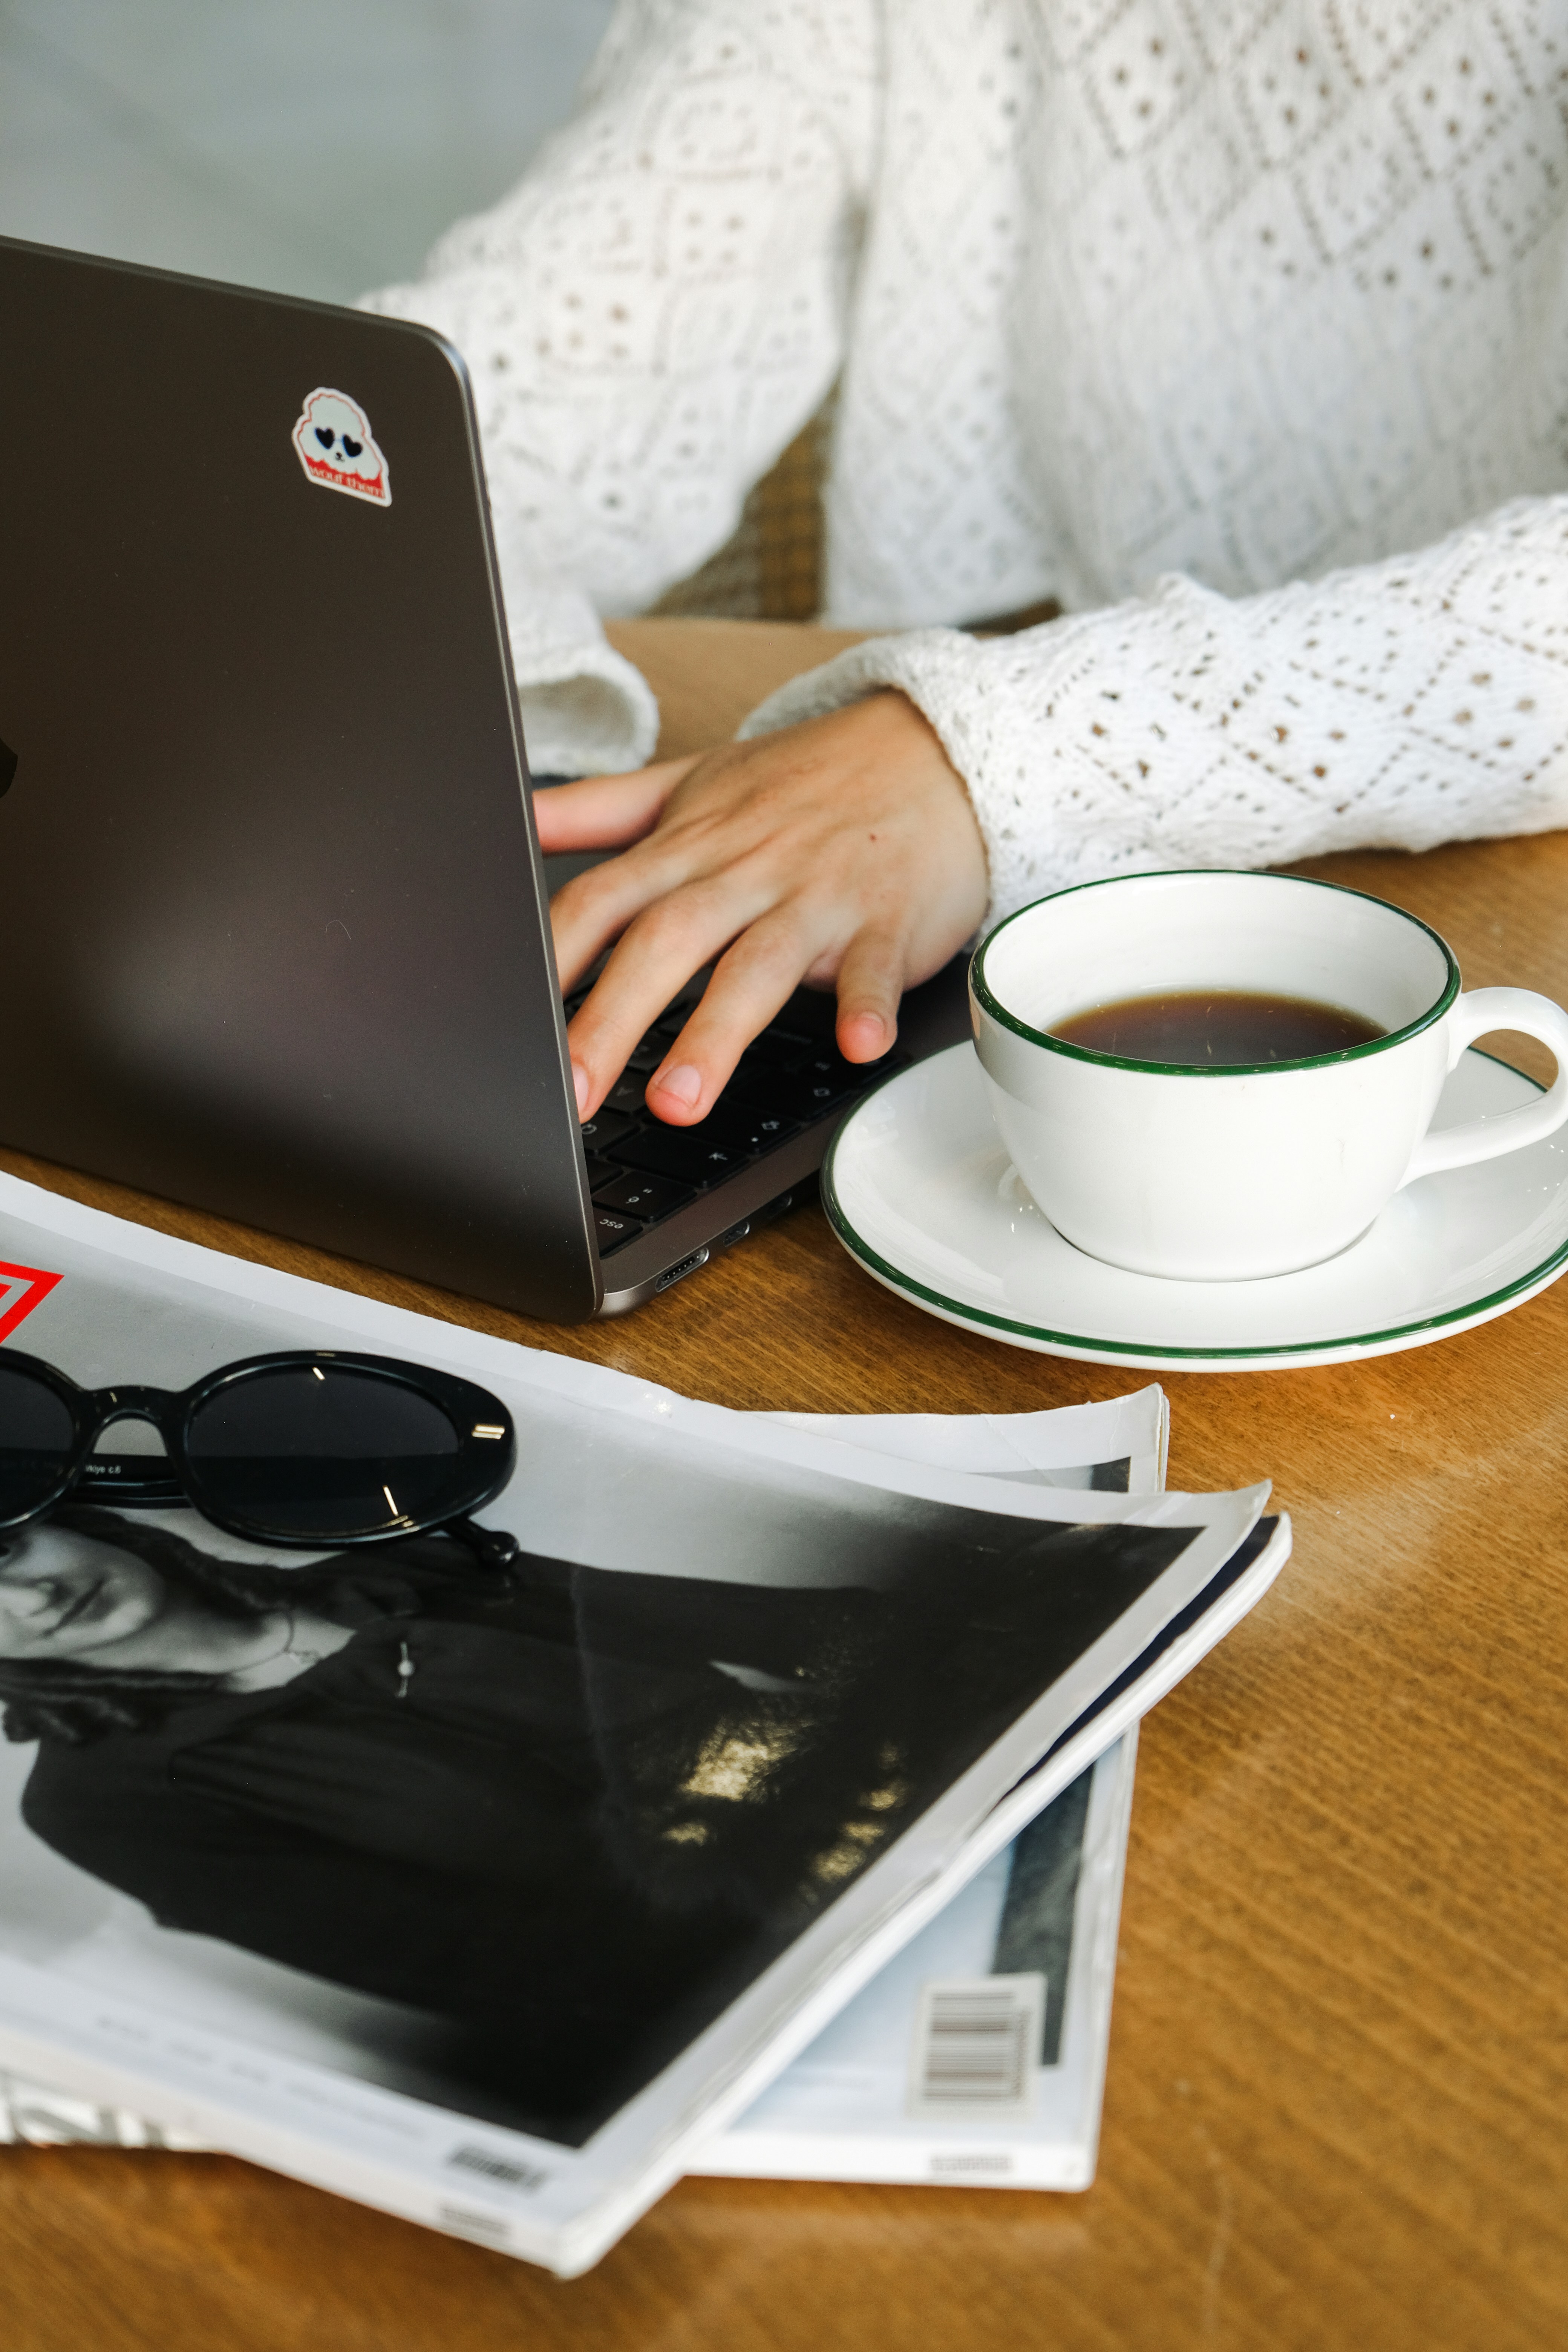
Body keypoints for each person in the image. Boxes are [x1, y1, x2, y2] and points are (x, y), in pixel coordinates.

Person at [360, 0, 1568, 1130]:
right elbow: (538, 364)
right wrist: (329, 557)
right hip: (1038, 870)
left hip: (1507, 893)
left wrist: (988, 754)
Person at [0, 1499, 1185, 2139]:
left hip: (925, 1781)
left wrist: (1020, 1629)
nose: (33, 1592)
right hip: (765, 1955)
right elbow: (473, 1970)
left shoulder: (388, 1563)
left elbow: (725, 1622)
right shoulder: (99, 1801)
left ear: (78, 1515)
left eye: (10, 1545)